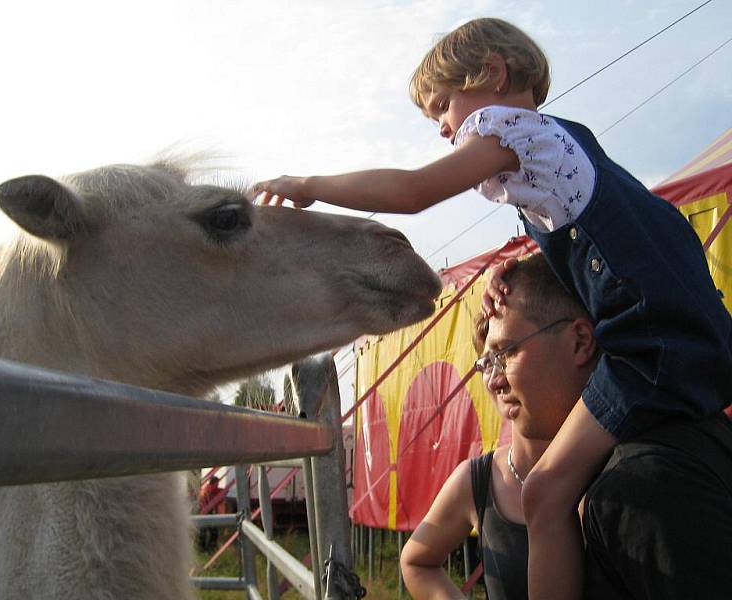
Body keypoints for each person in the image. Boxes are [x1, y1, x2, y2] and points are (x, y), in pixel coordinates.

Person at [251, 17, 732, 599]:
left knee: (546, 493)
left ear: (492, 75)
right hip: (688, 327)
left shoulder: (505, 129)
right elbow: (606, 241)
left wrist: (310, 185)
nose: (444, 129)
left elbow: (412, 190)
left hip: (647, 340)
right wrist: (526, 265)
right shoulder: (565, 147)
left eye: (442, 106)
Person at [400, 253, 596, 600]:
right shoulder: (479, 480)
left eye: (506, 353)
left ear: (580, 342)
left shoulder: (627, 472)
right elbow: (416, 561)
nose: (493, 381)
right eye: (486, 362)